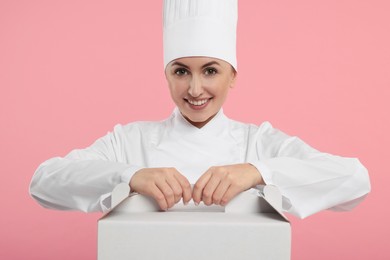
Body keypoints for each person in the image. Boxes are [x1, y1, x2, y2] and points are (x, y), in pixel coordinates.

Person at [29, 0, 370, 219]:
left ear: (232, 76)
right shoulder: (128, 141)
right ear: (166, 74)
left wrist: (259, 171)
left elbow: (355, 181)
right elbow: (44, 182)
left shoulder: (259, 143)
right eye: (180, 71)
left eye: (210, 71)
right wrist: (129, 175)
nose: (194, 89)